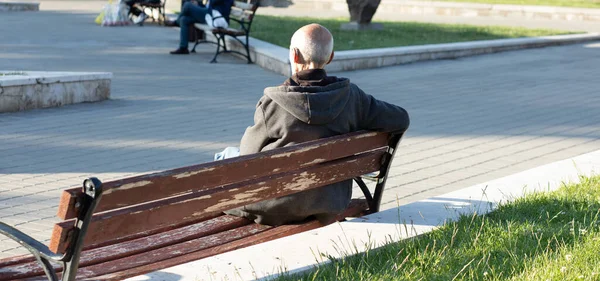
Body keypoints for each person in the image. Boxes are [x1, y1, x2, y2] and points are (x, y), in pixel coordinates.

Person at [224, 24, 410, 226]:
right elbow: (401, 118)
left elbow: (246, 159)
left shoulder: (272, 103)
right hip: (330, 203)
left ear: (294, 55)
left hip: (276, 207)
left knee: (227, 155)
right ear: (330, 57)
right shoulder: (353, 98)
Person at [168, 0, 234, 54]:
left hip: (216, 17)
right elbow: (208, 6)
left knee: (187, 5)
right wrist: (198, 4)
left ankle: (176, 22)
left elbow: (215, 5)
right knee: (184, 20)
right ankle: (183, 48)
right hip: (209, 15)